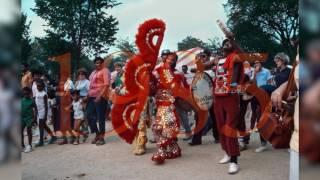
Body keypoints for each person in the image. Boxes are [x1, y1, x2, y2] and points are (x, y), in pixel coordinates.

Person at [271, 55, 299, 180]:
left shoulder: (287, 70)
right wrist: (280, 90)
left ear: (282, 60)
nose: (275, 62)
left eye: (277, 60)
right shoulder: (299, 56)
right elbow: (294, 81)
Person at [189, 49, 219, 146]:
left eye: (204, 56)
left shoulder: (214, 69)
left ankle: (218, 137)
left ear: (209, 57)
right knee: (199, 118)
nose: (202, 58)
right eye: (200, 56)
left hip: (212, 97)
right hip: (201, 97)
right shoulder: (198, 69)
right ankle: (196, 140)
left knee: (215, 118)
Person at [87, 57, 110, 146]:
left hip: (101, 96)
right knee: (89, 115)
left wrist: (100, 96)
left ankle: (101, 137)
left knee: (100, 117)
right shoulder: (93, 72)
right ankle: (97, 133)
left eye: (99, 63)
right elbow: (90, 85)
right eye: (96, 63)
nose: (98, 64)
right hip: (91, 96)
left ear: (102, 63)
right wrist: (87, 95)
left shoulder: (105, 71)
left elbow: (106, 84)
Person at [34, 80, 57, 147]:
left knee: (41, 126)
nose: (38, 87)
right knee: (44, 125)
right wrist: (36, 112)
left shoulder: (44, 94)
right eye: (37, 86)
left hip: (43, 111)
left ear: (43, 87)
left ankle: (41, 141)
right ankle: (53, 136)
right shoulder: (37, 93)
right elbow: (36, 103)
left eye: (40, 86)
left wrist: (45, 115)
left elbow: (46, 106)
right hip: (39, 111)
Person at [21, 87, 35, 153]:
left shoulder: (32, 100)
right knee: (20, 131)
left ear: (29, 93)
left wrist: (34, 119)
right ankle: (22, 145)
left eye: (27, 93)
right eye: (24, 93)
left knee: (29, 130)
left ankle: (29, 145)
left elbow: (36, 109)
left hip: (29, 118)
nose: (26, 94)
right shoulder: (21, 100)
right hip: (21, 118)